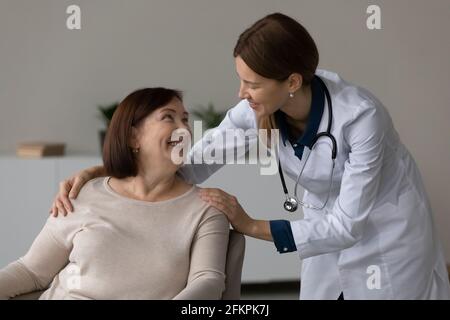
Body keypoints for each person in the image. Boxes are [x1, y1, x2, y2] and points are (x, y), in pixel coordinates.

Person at [49, 13, 450, 299]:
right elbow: (193, 162)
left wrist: (251, 224)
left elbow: (347, 224)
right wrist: (106, 170)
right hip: (322, 228)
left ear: (291, 82)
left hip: (385, 232)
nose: (241, 93)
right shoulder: (254, 110)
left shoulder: (361, 117)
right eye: (240, 79)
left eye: (252, 83)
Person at [0, 88, 229, 300]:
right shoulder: (83, 194)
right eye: (168, 117)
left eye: (185, 119)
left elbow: (208, 281)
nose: (185, 128)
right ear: (132, 137)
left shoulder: (206, 208)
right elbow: (31, 271)